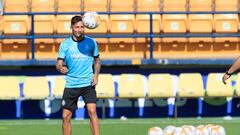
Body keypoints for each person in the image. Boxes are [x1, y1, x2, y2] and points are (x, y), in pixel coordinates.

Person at [56, 15, 101, 135]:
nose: (79, 29)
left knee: (92, 111)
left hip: (88, 83)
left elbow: (97, 61)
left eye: (81, 27)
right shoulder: (65, 44)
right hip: (71, 84)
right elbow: (58, 63)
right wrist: (61, 68)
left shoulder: (91, 42)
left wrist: (96, 75)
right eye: (76, 27)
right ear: (71, 27)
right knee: (66, 116)